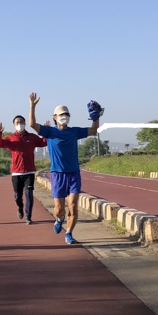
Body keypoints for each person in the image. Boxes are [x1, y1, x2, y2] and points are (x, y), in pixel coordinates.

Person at [28, 93, 100, 245]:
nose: (64, 116)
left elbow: (93, 130)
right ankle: (59, 219)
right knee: (59, 208)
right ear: (55, 117)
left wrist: (95, 117)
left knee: (73, 205)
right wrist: (32, 106)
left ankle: (69, 233)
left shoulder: (74, 132)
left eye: (66, 114)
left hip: (74, 174)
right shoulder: (49, 132)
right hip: (57, 174)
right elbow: (32, 125)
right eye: (61, 114)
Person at [0, 116, 47, 224]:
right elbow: (0, 144)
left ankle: (28, 217)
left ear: (25, 123)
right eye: (17, 122)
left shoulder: (32, 137)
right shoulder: (10, 138)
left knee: (29, 194)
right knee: (17, 197)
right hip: (16, 172)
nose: (20, 124)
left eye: (21, 122)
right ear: (14, 125)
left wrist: (46, 131)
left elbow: (43, 142)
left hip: (29, 171)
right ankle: (20, 207)